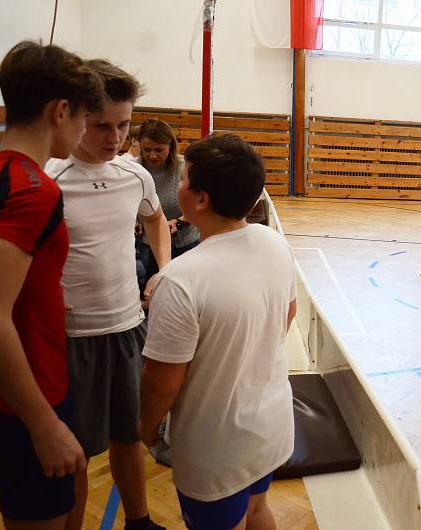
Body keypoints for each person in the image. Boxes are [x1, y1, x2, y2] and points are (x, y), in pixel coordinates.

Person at [139, 134, 296, 530]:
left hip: (216, 447)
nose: (180, 186)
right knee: (258, 510)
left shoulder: (179, 280)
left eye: (184, 179)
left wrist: (144, 428)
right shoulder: (273, 242)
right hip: (269, 426)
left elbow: (162, 383)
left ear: (201, 199)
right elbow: (286, 316)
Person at [0, 41, 103, 530]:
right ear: (61, 111)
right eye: (83, 120)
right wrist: (42, 423)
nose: (83, 132)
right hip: (24, 395)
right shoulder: (35, 189)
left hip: (21, 384)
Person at [46, 59, 171, 530]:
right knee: (75, 453)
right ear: (73, 116)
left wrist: (165, 270)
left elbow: (156, 220)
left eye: (123, 126)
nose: (115, 138)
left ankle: (139, 521)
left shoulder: (134, 175)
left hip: (126, 328)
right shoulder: (50, 178)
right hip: (71, 337)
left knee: (129, 437)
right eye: (101, 126)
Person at [137, 118, 200, 282]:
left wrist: (179, 221)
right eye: (146, 150)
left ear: (170, 146)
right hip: (149, 244)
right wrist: (134, 220)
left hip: (185, 241)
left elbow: (200, 204)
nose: (152, 155)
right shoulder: (135, 170)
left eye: (159, 150)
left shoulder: (184, 167)